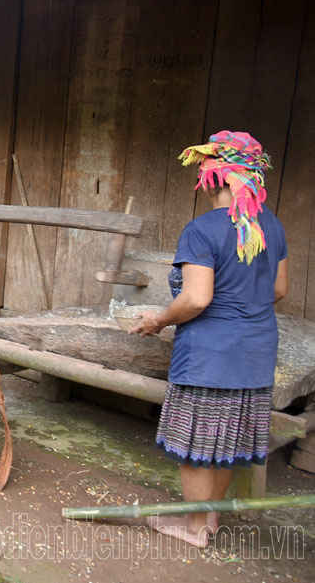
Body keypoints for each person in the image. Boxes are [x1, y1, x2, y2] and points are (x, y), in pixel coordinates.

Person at [129, 130, 288, 548]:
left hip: (210, 357)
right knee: (226, 442)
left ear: (210, 178)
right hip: (255, 353)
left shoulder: (202, 229)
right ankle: (209, 519)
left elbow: (197, 298)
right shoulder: (270, 226)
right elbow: (278, 290)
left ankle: (195, 528)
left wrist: (158, 320)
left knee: (196, 444)